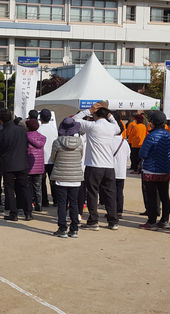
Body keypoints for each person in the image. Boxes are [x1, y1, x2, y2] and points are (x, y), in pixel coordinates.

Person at [73, 101, 121, 230]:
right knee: (110, 194)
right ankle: (113, 221)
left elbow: (73, 120)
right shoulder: (112, 127)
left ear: (95, 115)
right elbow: (118, 127)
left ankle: (93, 220)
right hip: (109, 166)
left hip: (94, 165)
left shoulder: (92, 126)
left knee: (92, 193)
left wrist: (89, 110)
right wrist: (109, 115)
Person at [138, 110, 170, 230]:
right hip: (165, 170)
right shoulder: (169, 136)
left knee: (152, 197)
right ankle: (165, 220)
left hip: (151, 170)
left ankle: (152, 221)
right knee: (165, 196)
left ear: (152, 122)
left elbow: (143, 153)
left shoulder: (151, 136)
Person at [0, 109, 32, 221]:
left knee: (9, 189)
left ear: (0, 120)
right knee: (24, 187)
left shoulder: (1, 133)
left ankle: (13, 213)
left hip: (8, 163)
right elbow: (26, 144)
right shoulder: (21, 130)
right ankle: (28, 212)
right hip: (22, 162)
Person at [50, 117, 84, 238]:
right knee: (74, 203)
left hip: (61, 177)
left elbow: (53, 158)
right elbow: (80, 157)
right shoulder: (80, 142)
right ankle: (74, 229)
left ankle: (62, 228)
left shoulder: (57, 142)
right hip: (75, 177)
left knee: (62, 204)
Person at [38, 108, 58, 207]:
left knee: (42, 182)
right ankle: (56, 200)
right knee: (53, 181)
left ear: (40, 118)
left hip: (41, 159)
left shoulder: (39, 130)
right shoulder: (55, 130)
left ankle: (44, 201)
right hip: (52, 159)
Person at [25, 118, 46, 211]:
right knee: (38, 187)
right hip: (39, 166)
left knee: (28, 187)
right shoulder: (42, 137)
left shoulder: (25, 136)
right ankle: (39, 205)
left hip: (28, 165)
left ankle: (29, 205)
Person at [111, 119, 130, 219]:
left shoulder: (109, 141)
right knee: (120, 191)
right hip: (121, 171)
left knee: (111, 192)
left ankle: (112, 211)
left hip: (111, 170)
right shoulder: (125, 142)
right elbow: (128, 156)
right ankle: (119, 211)